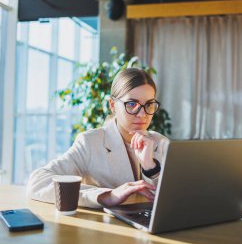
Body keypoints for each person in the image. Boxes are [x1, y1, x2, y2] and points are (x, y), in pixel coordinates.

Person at [26, 68, 169, 208]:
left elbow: (172, 197)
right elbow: (37, 182)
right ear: (113, 105)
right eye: (132, 104)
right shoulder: (90, 143)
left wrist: (150, 167)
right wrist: (107, 195)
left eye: (149, 105)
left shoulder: (161, 143)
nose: (142, 114)